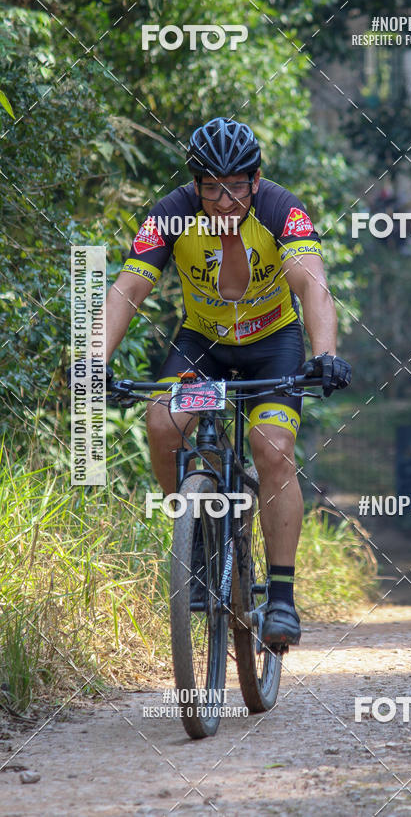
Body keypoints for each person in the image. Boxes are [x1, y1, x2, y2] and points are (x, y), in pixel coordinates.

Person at [101, 117, 351, 646]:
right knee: (164, 423)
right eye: (211, 187)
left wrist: (326, 354)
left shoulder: (282, 210)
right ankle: (192, 542)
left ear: (255, 180)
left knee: (273, 448)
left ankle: (280, 598)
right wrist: (92, 357)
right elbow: (126, 290)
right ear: (195, 184)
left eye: (235, 186)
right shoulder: (171, 214)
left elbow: (313, 286)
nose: (224, 200)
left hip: (272, 346)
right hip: (205, 345)